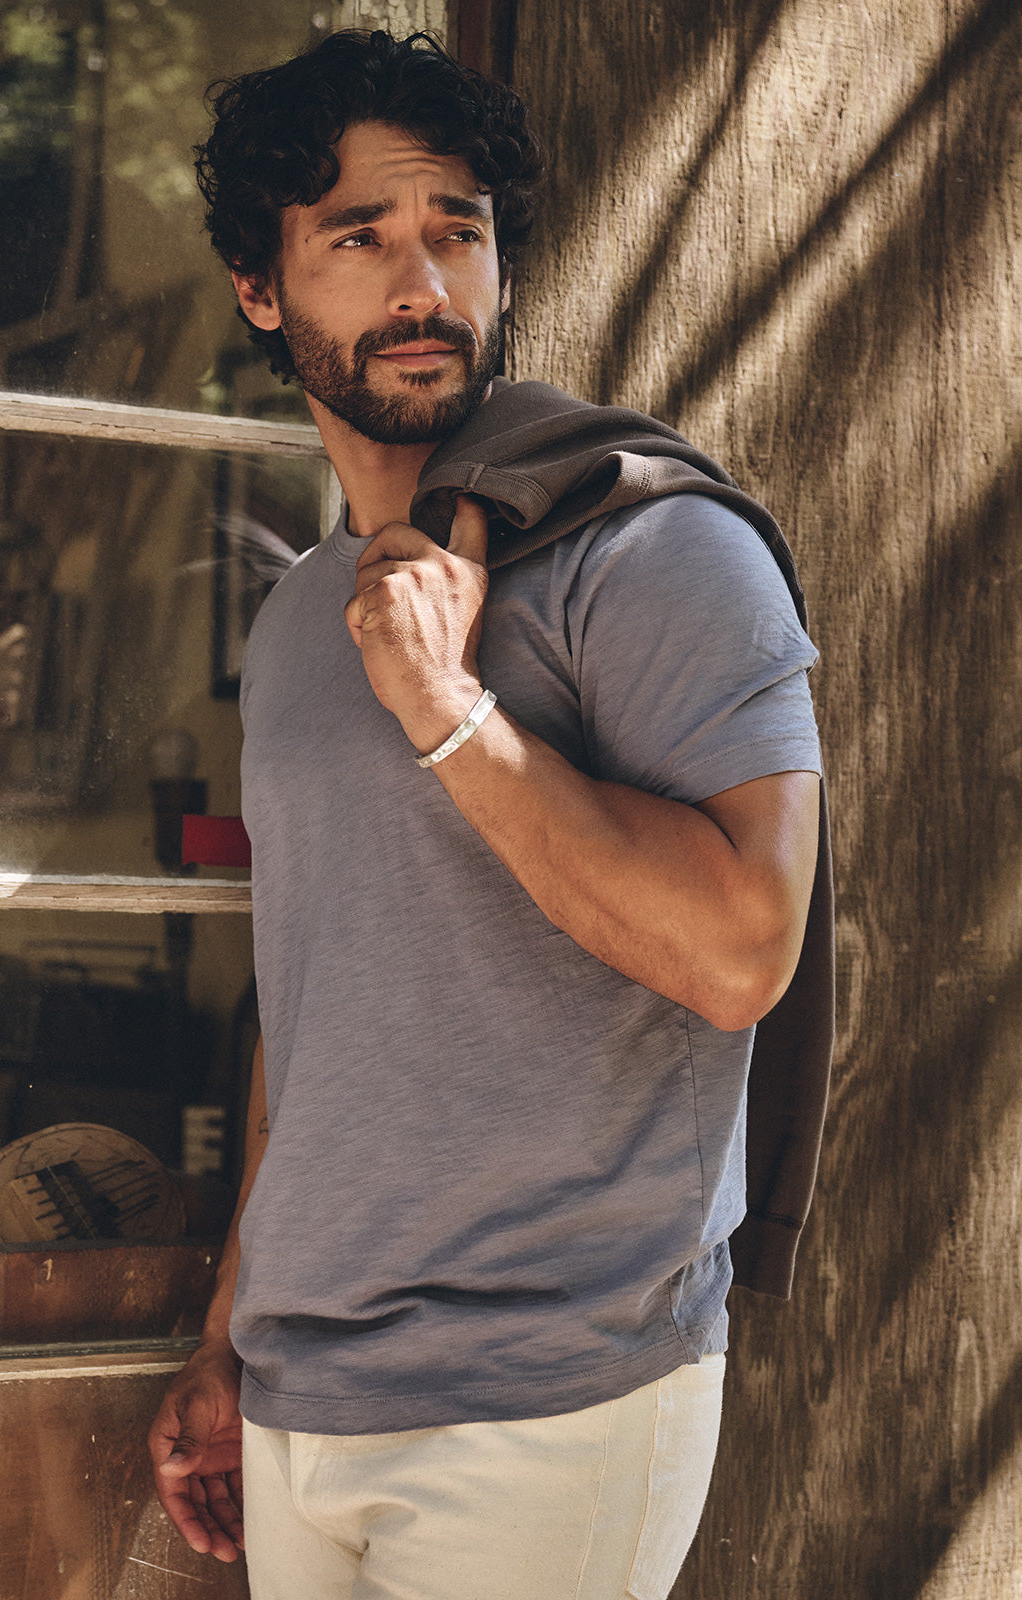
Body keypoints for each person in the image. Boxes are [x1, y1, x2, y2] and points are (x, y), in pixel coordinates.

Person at [149, 29, 826, 1600]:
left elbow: (743, 951)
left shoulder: (653, 549)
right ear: (261, 289)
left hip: (550, 1399)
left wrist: (455, 716)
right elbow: (312, 1022)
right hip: (308, 1394)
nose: (422, 282)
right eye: (359, 239)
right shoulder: (294, 619)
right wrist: (232, 1337)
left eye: (456, 230)